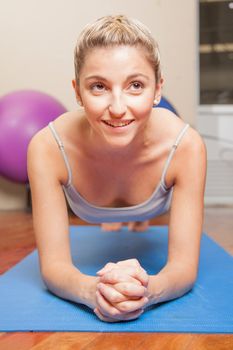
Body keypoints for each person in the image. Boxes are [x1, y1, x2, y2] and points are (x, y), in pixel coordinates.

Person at [27, 15, 207, 323]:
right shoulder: (46, 148)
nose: (118, 107)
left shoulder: (186, 146)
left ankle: (138, 222)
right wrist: (93, 291)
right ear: (77, 92)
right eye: (99, 87)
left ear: (158, 89)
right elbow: (55, 266)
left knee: (142, 223)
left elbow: (183, 267)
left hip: (154, 198)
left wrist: (149, 291)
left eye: (135, 85)